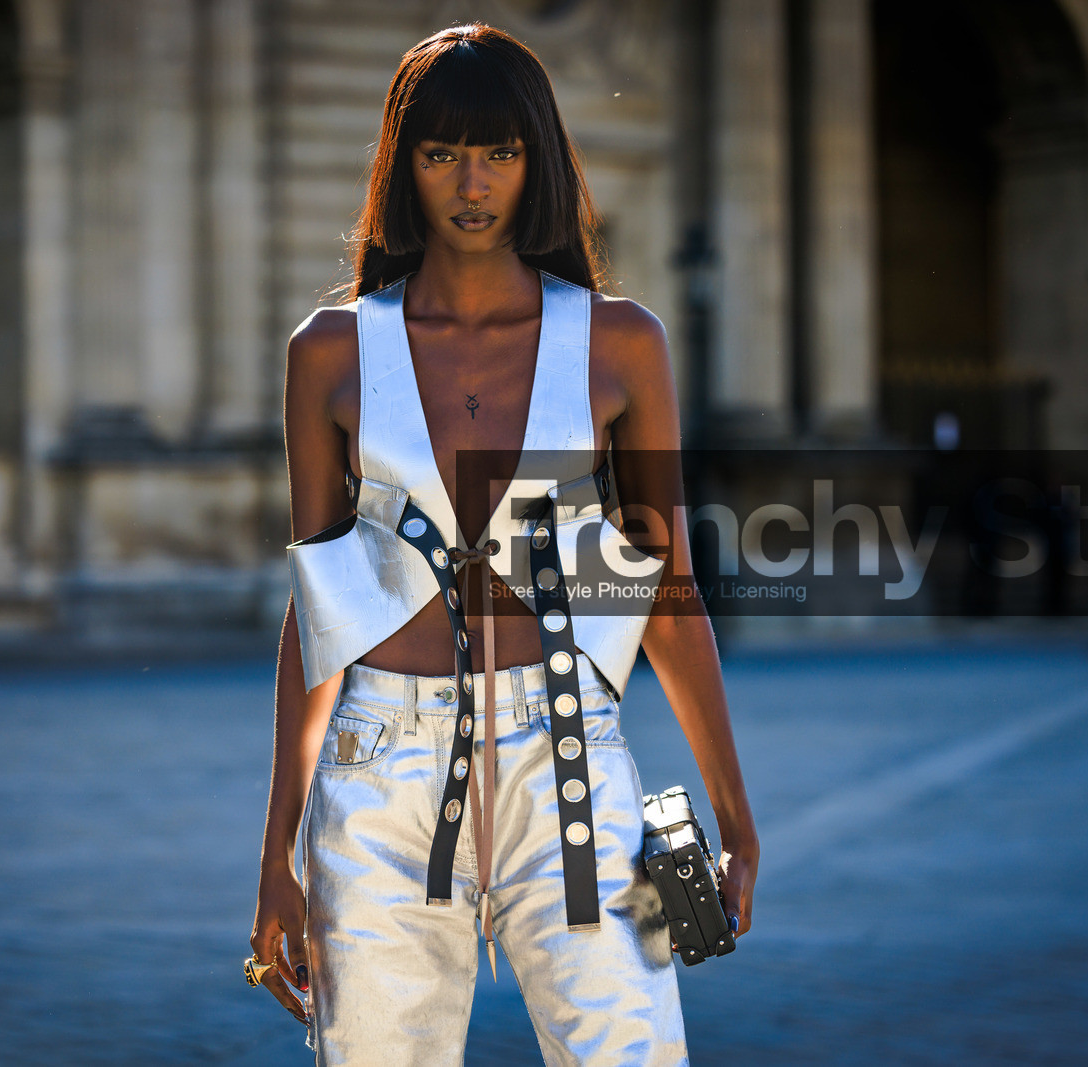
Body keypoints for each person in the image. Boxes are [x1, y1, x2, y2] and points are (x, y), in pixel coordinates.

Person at [249, 23, 758, 1066]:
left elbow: (664, 584)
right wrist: (277, 852)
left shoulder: (621, 341)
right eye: (440, 154)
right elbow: (323, 599)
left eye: (498, 152)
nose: (470, 182)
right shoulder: (329, 352)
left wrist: (733, 809)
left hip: (573, 759)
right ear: (404, 168)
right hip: (377, 773)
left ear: (538, 160)